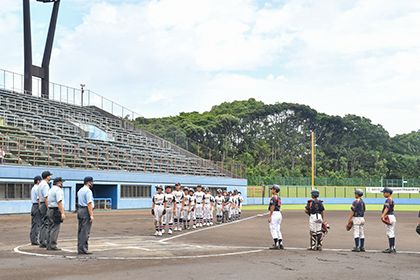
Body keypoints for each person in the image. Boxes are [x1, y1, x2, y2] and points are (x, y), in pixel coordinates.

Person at [46, 177, 65, 250]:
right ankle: (53, 245)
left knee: (49, 227)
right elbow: (59, 202)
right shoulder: (58, 190)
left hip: (50, 209)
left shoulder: (50, 189)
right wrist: (62, 213)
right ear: (58, 183)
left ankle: (48, 244)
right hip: (55, 210)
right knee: (55, 228)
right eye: (61, 182)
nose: (61, 184)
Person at [77, 176, 94, 254]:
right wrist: (91, 215)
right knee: (85, 230)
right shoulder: (88, 191)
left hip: (80, 209)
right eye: (91, 182)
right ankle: (84, 248)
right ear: (89, 182)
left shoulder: (80, 190)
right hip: (85, 210)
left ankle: (80, 248)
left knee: (80, 230)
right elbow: (89, 203)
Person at [38, 171, 52, 248]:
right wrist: (48, 207)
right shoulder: (45, 185)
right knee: (45, 223)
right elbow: (46, 197)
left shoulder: (40, 184)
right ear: (47, 177)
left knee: (42, 223)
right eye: (49, 176)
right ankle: (44, 241)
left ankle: (42, 240)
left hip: (41, 204)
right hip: (44, 204)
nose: (50, 177)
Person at [381, 187, 397, 253]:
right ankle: (392, 247)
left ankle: (391, 248)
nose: (383, 194)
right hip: (392, 216)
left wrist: (383, 215)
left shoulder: (388, 199)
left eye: (384, 192)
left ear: (388, 193)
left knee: (390, 232)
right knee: (391, 232)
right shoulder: (391, 199)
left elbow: (387, 208)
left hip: (389, 216)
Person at [268, 185, 284, 250]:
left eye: (272, 189)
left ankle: (276, 244)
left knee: (273, 228)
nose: (271, 190)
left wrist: (270, 216)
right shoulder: (278, 197)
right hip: (279, 214)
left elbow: (273, 207)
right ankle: (280, 243)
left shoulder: (274, 198)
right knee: (277, 228)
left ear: (275, 190)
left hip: (274, 213)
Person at [30, 175, 42, 245]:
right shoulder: (37, 188)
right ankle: (34, 240)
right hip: (37, 206)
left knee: (34, 223)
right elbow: (38, 199)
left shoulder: (33, 188)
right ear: (38, 181)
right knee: (36, 224)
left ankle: (33, 239)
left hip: (34, 206)